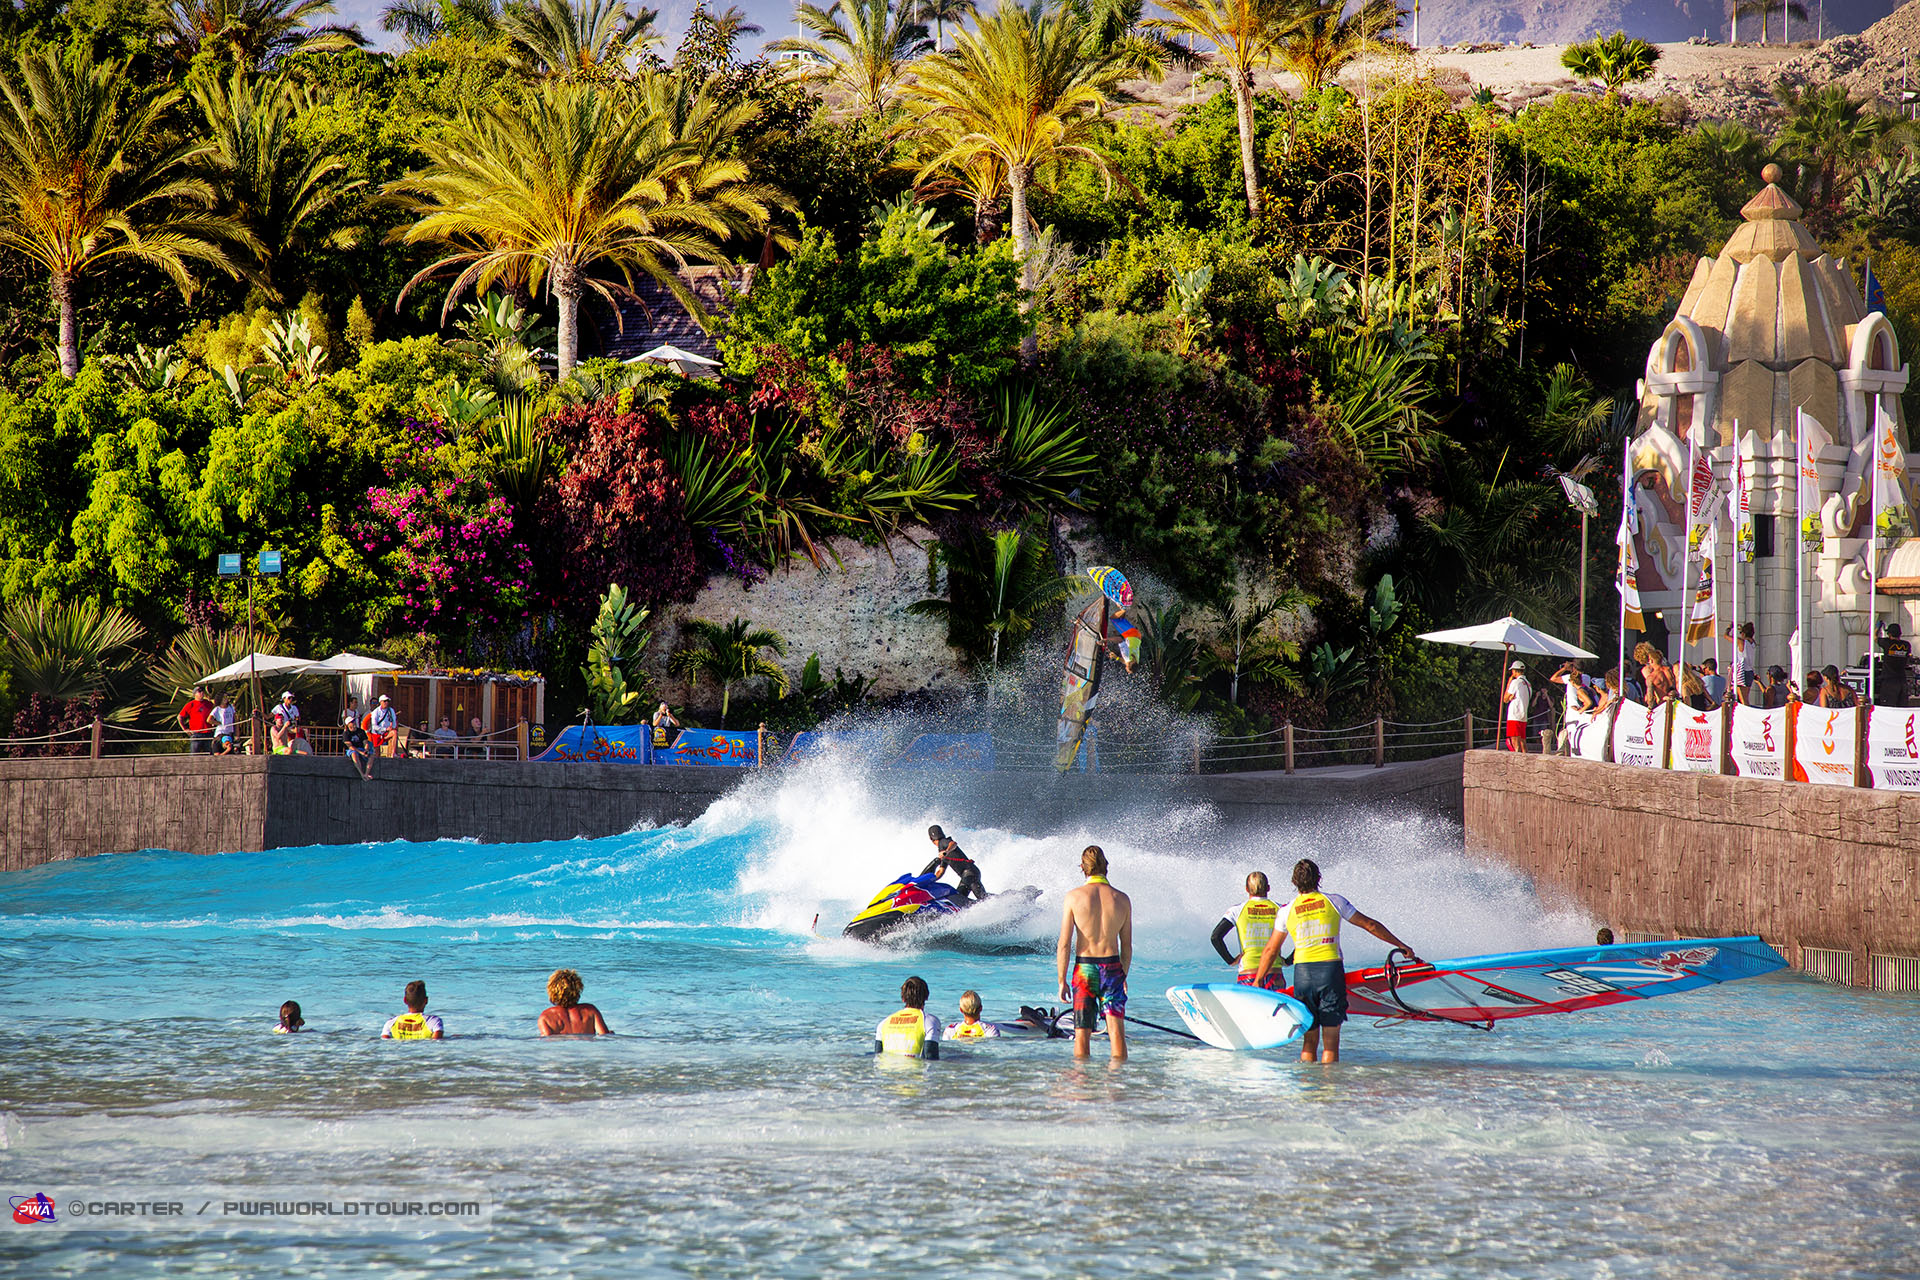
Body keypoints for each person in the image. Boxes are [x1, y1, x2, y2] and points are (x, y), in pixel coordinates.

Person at [1251, 859, 1421, 1065]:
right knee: (1330, 1044)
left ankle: (1306, 1083)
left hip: (1303, 975)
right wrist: (1401, 945)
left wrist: (1258, 980)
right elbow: (1370, 925)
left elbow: (1271, 950)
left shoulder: (1287, 910)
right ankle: (1329, 1084)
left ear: (1294, 882)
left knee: (1309, 1041)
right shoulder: (1335, 901)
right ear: (1319, 878)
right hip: (1330, 973)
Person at [1056, 845, 1132, 1062]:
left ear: (1083, 867)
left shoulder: (1073, 897)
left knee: (1082, 1034)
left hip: (1085, 970)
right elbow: (1126, 946)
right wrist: (1122, 975)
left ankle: (1082, 1080)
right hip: (1112, 968)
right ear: (1106, 866)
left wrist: (1061, 980)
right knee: (1116, 1033)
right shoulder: (1122, 899)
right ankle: (1117, 1079)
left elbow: (1064, 944)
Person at [1210, 871, 1287, 992]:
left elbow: (1215, 937)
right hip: (1274, 974)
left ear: (1246, 889)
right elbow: (1302, 933)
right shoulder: (1281, 909)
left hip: (1248, 974)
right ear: (1268, 888)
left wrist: (1231, 960)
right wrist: (1288, 961)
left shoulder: (1237, 910)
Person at [875, 975, 942, 1058]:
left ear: (903, 999)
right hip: (914, 1066)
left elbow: (877, 1056)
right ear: (927, 996)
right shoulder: (930, 1021)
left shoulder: (883, 1023)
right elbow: (930, 1055)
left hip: (886, 1066)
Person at [538, 968, 613, 1036]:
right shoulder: (590, 1010)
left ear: (551, 991)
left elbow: (547, 1042)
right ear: (578, 989)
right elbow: (604, 1036)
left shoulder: (546, 1017)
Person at [921, 825, 986, 902]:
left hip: (970, 873)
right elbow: (941, 871)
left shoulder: (943, 842)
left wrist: (946, 851)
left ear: (930, 838)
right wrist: (929, 880)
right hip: (967, 875)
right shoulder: (941, 850)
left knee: (983, 897)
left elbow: (953, 844)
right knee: (961, 900)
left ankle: (997, 900)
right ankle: (980, 906)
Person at [1501, 661, 1532, 751]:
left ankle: (1516, 758)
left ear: (1514, 671)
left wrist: (1508, 683)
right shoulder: (1528, 684)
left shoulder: (1515, 682)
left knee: (1515, 741)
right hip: (1523, 714)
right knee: (1522, 741)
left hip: (1514, 714)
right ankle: (1525, 756)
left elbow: (1505, 699)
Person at [177, 686, 214, 753]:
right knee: (194, 754)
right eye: (199, 691)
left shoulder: (209, 704)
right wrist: (185, 729)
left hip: (208, 733)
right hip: (196, 733)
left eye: (202, 691)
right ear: (194, 694)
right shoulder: (191, 704)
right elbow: (180, 717)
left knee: (209, 753)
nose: (202, 693)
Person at [342, 715, 374, 780]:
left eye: (354, 721)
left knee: (371, 756)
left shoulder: (361, 731)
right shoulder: (346, 733)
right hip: (352, 749)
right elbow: (350, 746)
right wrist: (360, 752)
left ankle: (366, 774)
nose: (354, 723)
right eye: (352, 722)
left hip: (361, 748)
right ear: (348, 724)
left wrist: (366, 750)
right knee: (354, 755)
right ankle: (362, 774)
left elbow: (365, 742)